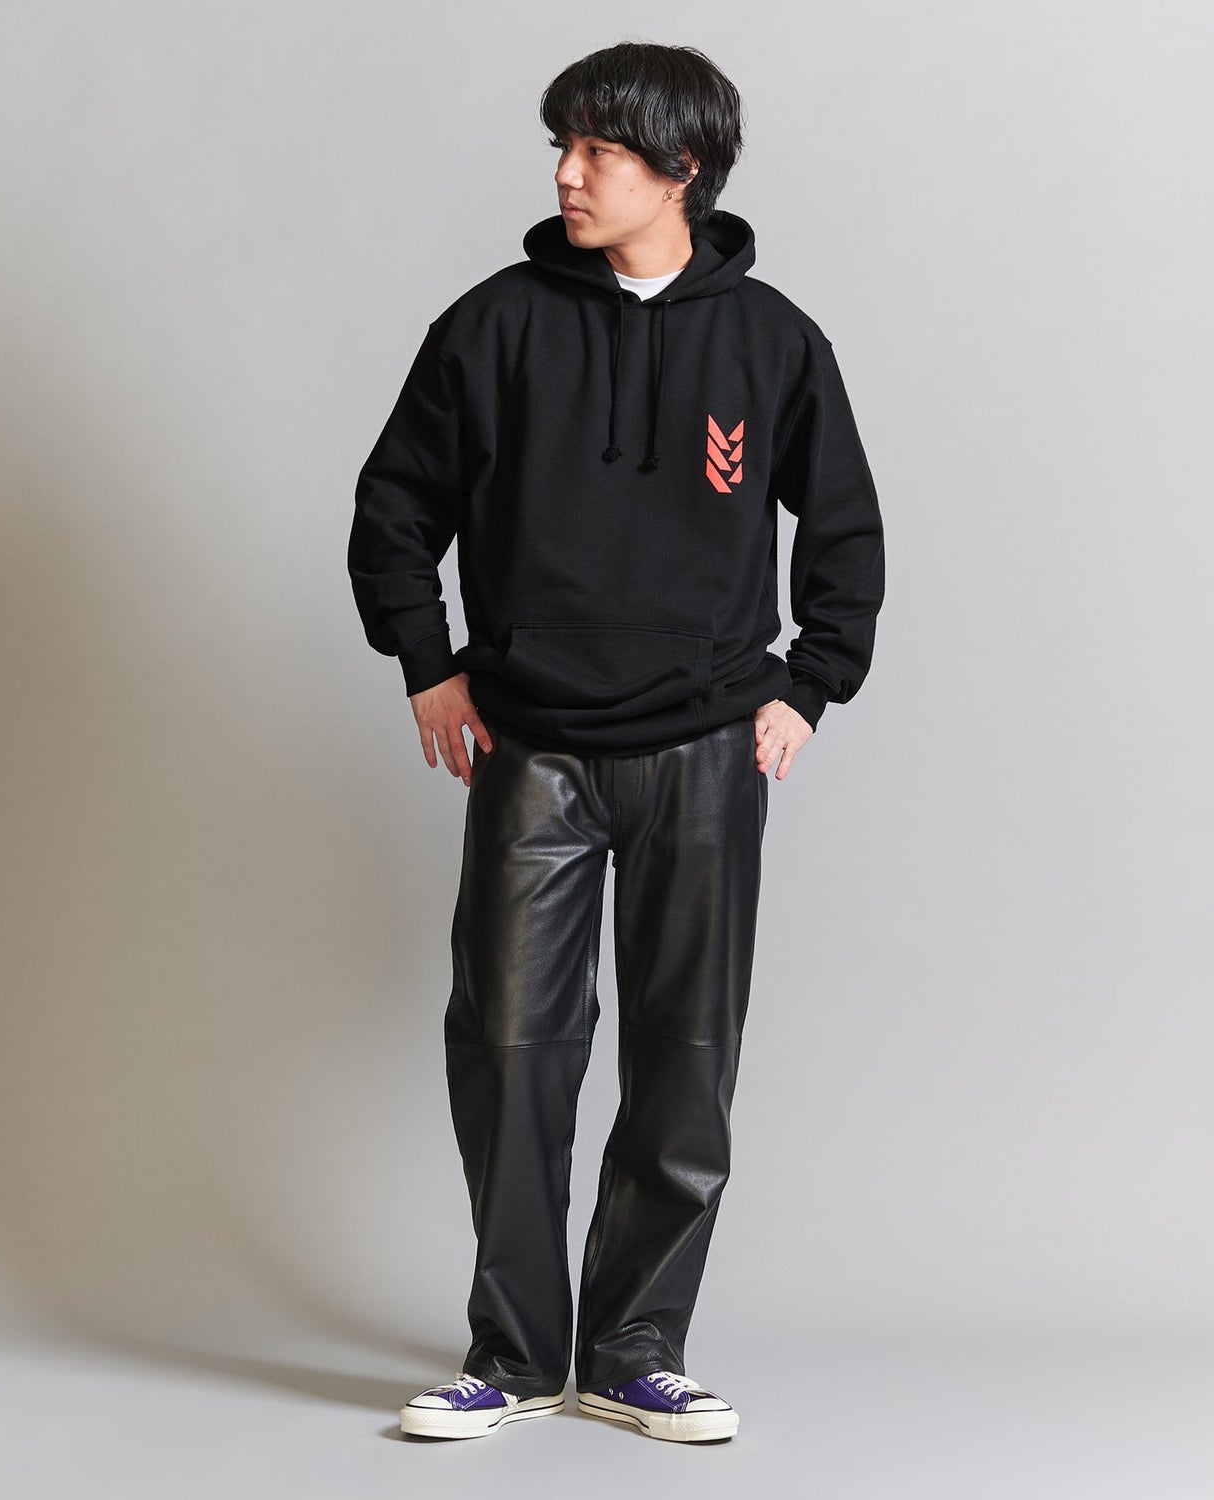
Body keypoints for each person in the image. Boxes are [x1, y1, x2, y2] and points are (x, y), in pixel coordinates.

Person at [348, 40, 884, 1443]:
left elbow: (845, 531)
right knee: (509, 1044)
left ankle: (637, 1348)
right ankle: (515, 1355)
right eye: (562, 146)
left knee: (685, 1052)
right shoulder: (493, 327)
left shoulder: (772, 342)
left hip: (707, 749)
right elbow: (394, 507)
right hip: (532, 745)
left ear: (680, 169)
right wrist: (428, 667)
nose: (565, 174)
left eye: (596, 150)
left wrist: (810, 684)